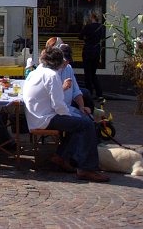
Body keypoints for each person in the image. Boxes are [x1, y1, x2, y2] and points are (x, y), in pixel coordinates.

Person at [23, 46, 109, 182]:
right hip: (45, 117)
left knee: (78, 123)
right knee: (86, 124)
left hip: (36, 116)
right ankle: (86, 168)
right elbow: (58, 105)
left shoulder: (36, 73)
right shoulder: (52, 75)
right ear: (58, 62)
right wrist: (71, 115)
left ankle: (61, 156)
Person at [58, 44, 93, 117]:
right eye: (64, 60)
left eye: (68, 60)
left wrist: (81, 107)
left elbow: (76, 91)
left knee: (89, 118)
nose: (67, 62)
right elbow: (50, 96)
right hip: (56, 111)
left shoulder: (68, 68)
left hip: (68, 107)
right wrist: (63, 88)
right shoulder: (51, 71)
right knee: (85, 122)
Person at [79, 11, 105, 99]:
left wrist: (86, 38)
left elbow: (80, 36)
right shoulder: (101, 27)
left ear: (91, 18)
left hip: (88, 51)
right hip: (96, 51)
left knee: (87, 74)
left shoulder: (88, 26)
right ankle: (99, 93)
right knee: (93, 73)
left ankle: (89, 93)